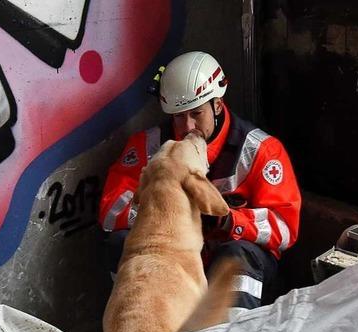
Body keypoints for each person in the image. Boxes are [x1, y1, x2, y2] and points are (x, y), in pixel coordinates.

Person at [98, 51, 301, 311]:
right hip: (171, 260)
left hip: (232, 260)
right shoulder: (147, 146)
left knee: (236, 257)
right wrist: (166, 212)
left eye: (196, 113)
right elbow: (110, 210)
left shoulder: (261, 151)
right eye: (179, 116)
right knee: (119, 243)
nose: (187, 127)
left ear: (217, 105)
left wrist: (230, 220)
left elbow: (285, 228)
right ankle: (137, 325)